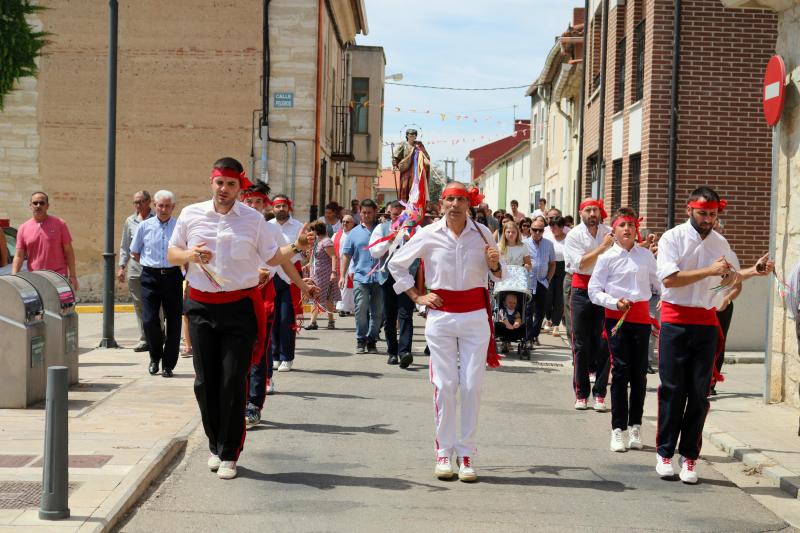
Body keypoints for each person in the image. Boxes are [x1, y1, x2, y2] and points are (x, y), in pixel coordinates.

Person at [167, 157, 315, 480]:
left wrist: (301, 273)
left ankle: (230, 452)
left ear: (239, 187)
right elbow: (172, 253)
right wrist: (190, 255)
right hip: (201, 307)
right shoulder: (191, 215)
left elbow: (274, 257)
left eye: (231, 184)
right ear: (212, 182)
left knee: (233, 380)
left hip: (239, 310)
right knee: (205, 383)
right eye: (220, 183)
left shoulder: (252, 220)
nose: (224, 190)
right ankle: (215, 443)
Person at [654, 186, 772, 484]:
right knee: (672, 389)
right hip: (675, 320)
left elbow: (728, 276)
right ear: (689, 210)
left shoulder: (720, 241)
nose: (708, 219)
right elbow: (670, 278)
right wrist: (709, 271)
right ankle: (665, 452)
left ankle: (689, 457)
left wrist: (753, 271)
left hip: (706, 323)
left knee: (699, 393)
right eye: (702, 213)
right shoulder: (673, 238)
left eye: (713, 214)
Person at [388, 181, 503, 483]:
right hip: (440, 315)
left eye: (460, 199)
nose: (455, 205)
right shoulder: (427, 234)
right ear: (441, 204)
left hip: (475, 316)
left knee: (472, 385)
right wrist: (416, 296)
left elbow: (499, 274)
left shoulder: (483, 233)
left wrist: (495, 265)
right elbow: (396, 264)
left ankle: (466, 454)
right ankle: (443, 452)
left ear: (469, 204)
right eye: (450, 199)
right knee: (446, 383)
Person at [588, 207, 659, 453]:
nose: (627, 229)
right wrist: (614, 301)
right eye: (622, 225)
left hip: (640, 318)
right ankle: (617, 429)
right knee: (620, 371)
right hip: (616, 318)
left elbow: (658, 284)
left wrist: (659, 304)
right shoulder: (606, 257)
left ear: (636, 229)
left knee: (639, 373)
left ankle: (635, 425)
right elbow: (593, 291)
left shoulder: (646, 256)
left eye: (631, 225)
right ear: (614, 230)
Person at [564, 198, 612, 411]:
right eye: (588, 210)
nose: (593, 214)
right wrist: (603, 247)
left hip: (604, 290)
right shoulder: (574, 235)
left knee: (604, 343)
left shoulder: (610, 231)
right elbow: (581, 262)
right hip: (581, 290)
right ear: (581, 212)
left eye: (596, 210)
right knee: (581, 344)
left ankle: (600, 394)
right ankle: (581, 394)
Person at [130, 190, 182, 378]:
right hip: (150, 277)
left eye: (168, 206)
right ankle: (155, 357)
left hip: (173, 276)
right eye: (160, 205)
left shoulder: (179, 227)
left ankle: (168, 365)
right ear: (154, 205)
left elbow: (185, 252)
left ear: (173, 207)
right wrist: (150, 263)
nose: (164, 209)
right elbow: (135, 252)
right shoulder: (144, 226)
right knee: (150, 320)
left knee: (174, 322)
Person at [369, 200, 416, 368]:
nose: (398, 217)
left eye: (401, 214)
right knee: (389, 316)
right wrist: (390, 239)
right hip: (387, 276)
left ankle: (405, 352)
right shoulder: (381, 229)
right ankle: (392, 352)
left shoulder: (414, 229)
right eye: (395, 214)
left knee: (405, 314)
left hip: (406, 276)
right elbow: (374, 251)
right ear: (389, 213)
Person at [269, 194, 305, 372]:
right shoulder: (267, 226)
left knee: (286, 318)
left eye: (284, 206)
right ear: (272, 208)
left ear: (289, 207)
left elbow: (301, 252)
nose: (281, 209)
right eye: (277, 206)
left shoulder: (298, 227)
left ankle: (286, 357)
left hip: (290, 275)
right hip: (271, 274)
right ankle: (274, 355)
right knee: (272, 317)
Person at [341, 199, 383, 354]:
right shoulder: (354, 233)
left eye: (369, 212)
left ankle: (372, 340)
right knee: (360, 308)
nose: (366, 215)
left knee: (377, 312)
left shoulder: (382, 230)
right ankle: (361, 339)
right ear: (360, 213)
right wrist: (342, 275)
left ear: (375, 212)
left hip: (380, 278)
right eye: (364, 213)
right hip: (360, 277)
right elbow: (346, 255)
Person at [12, 192, 78, 289]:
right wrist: (14, 277)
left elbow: (69, 251)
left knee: (59, 304)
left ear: (47, 206)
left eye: (42, 203)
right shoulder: (23, 228)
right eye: (35, 203)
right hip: (35, 278)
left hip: (58, 277)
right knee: (40, 305)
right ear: (30, 206)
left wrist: (73, 276)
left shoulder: (60, 224)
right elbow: (19, 256)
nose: (38, 206)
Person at [118, 191, 155, 352]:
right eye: (135, 202)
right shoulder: (130, 221)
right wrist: (121, 267)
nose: (138, 205)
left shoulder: (156, 218)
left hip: (152, 266)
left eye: (141, 202)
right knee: (139, 304)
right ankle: (145, 338)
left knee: (155, 303)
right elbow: (125, 246)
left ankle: (159, 334)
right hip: (134, 267)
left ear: (149, 202)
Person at [710, 219, 740, 396]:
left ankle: (711, 383)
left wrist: (726, 300)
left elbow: (737, 285)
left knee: (718, 344)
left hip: (723, 307)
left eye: (718, 229)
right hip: (702, 306)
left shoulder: (731, 255)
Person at [523, 217, 556, 347]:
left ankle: (534, 335)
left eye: (540, 230)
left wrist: (548, 279)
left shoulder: (549, 244)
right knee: (528, 311)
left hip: (542, 282)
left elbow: (552, 264)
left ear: (543, 231)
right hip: (528, 282)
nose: (537, 233)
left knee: (540, 311)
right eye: (535, 230)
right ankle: (528, 337)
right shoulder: (524, 243)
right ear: (530, 230)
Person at [306, 222, 340, 330]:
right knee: (328, 298)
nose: (311, 232)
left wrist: (333, 272)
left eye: (312, 230)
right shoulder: (319, 241)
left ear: (317, 230)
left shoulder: (326, 241)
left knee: (317, 295)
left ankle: (313, 322)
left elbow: (333, 257)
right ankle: (331, 321)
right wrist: (308, 264)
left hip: (324, 274)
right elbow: (315, 257)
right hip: (317, 273)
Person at [544, 216, 568, 336]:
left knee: (559, 297)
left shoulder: (568, 239)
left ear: (562, 227)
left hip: (563, 267)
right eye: (551, 226)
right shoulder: (548, 237)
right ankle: (548, 319)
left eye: (556, 226)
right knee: (548, 295)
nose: (553, 228)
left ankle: (556, 324)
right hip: (549, 266)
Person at [392, 129, 430, 202]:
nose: (412, 137)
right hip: (406, 169)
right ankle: (404, 203)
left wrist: (425, 161)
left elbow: (426, 156)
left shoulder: (419, 145)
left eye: (414, 135)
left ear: (416, 136)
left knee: (415, 186)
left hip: (416, 171)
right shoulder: (403, 145)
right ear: (407, 136)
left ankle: (415, 202)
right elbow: (396, 156)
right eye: (410, 135)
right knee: (405, 187)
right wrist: (394, 163)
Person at [334, 215, 356, 316]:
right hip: (339, 263)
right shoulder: (336, 235)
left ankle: (347, 307)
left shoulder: (356, 234)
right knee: (342, 285)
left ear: (352, 223)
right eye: (343, 221)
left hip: (352, 263)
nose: (345, 224)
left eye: (347, 222)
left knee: (349, 287)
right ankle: (342, 307)